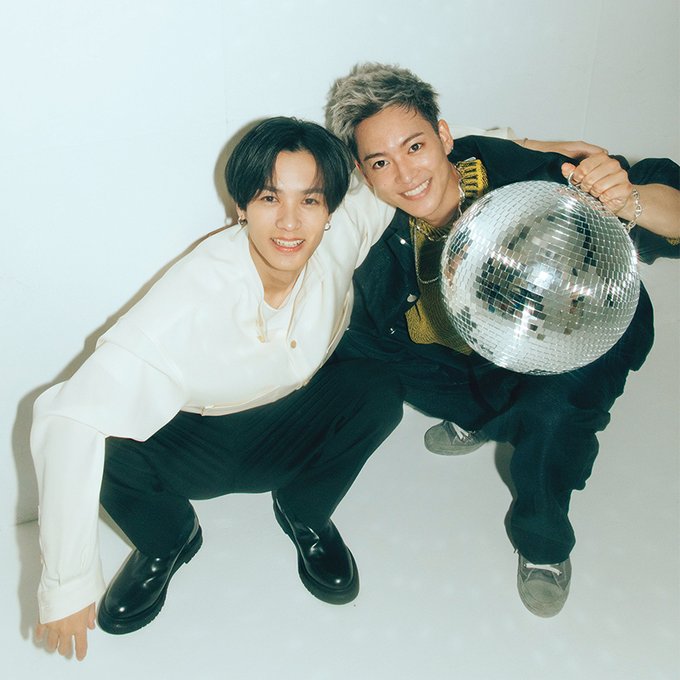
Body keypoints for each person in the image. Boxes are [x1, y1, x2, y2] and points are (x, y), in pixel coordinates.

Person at [31, 116, 403, 660]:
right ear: (241, 207)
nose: (290, 222)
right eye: (270, 198)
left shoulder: (341, 235)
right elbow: (67, 416)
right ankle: (167, 540)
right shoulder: (190, 298)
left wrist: (522, 144)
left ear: (330, 211)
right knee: (102, 444)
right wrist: (66, 583)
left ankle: (305, 512)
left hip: (291, 427)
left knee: (378, 390)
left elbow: (405, 159)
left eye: (310, 201)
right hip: (198, 447)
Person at [324, 62, 680, 618]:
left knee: (551, 418)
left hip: (572, 336)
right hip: (463, 355)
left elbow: (670, 208)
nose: (406, 174)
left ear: (443, 136)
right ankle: (485, 417)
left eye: (415, 146)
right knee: (349, 344)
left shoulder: (527, 177)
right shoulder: (373, 226)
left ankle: (543, 542)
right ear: (364, 173)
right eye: (381, 162)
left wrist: (627, 197)